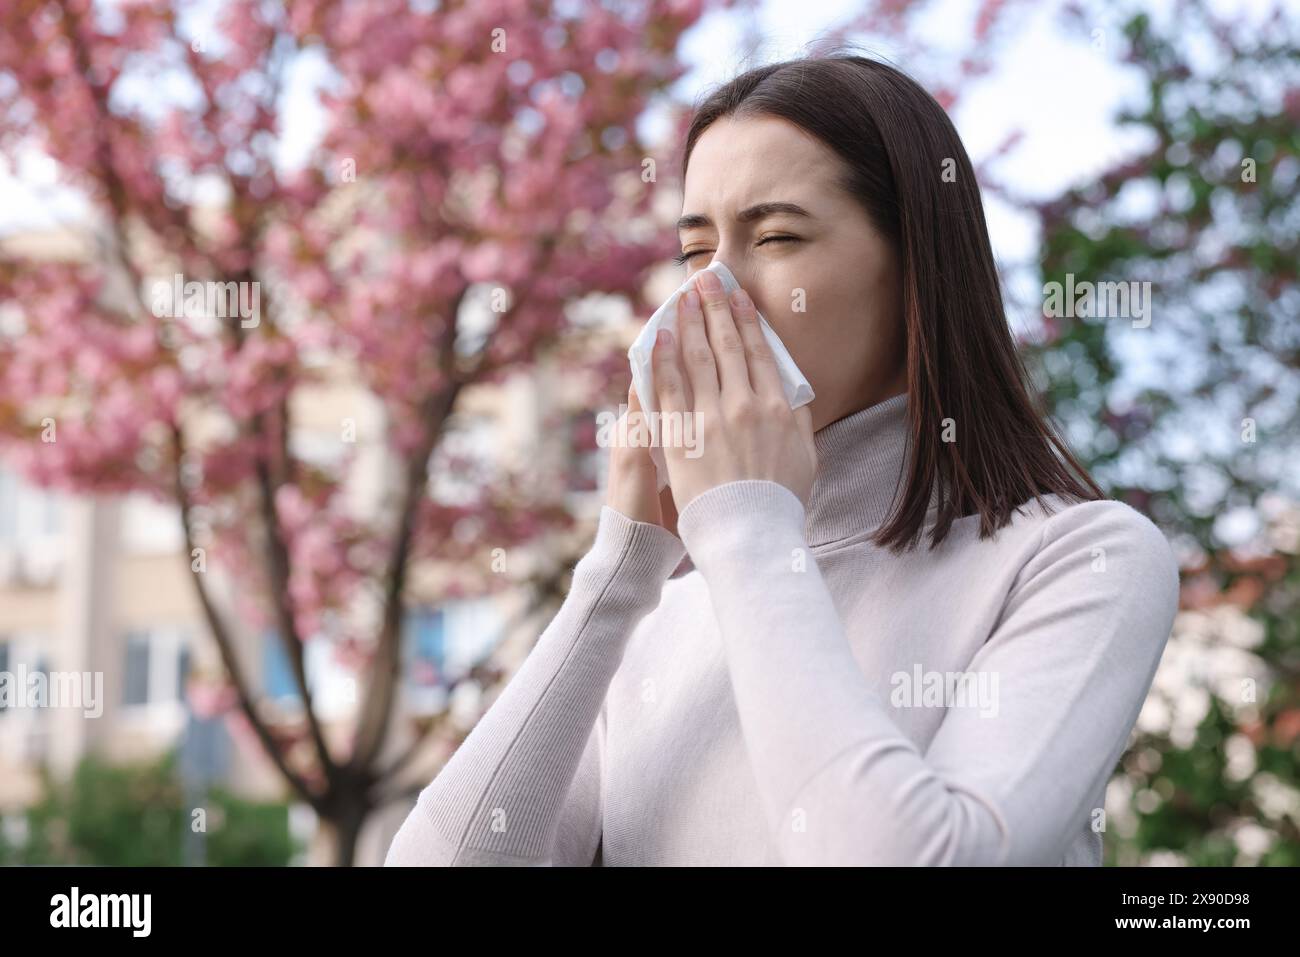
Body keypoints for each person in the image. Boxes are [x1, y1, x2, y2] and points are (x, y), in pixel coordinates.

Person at [385, 52, 1180, 866]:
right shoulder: (667, 610)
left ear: (916, 269)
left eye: (776, 237)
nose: (712, 295)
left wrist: (749, 529)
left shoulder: (1077, 560)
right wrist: (621, 570)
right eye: (696, 252)